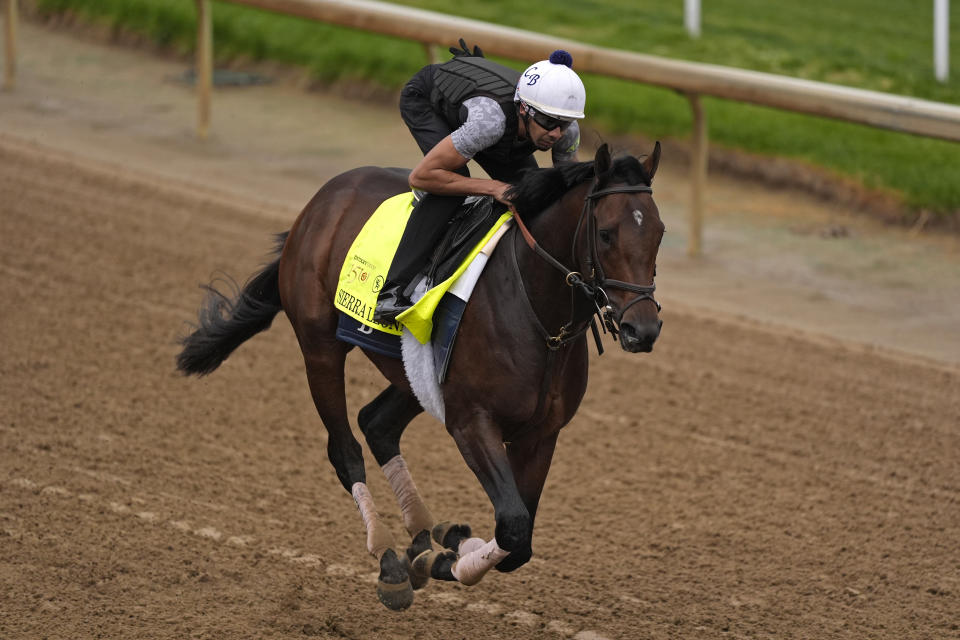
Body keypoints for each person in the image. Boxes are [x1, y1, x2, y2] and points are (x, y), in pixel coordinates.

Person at [373, 42, 587, 323]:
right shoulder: (491, 122)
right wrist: (493, 188)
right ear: (524, 109)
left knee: (533, 195)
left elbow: (565, 192)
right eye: (549, 122)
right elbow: (422, 176)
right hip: (428, 102)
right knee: (454, 184)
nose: (557, 133)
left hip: (486, 118)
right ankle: (391, 292)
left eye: (566, 123)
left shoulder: (564, 130)